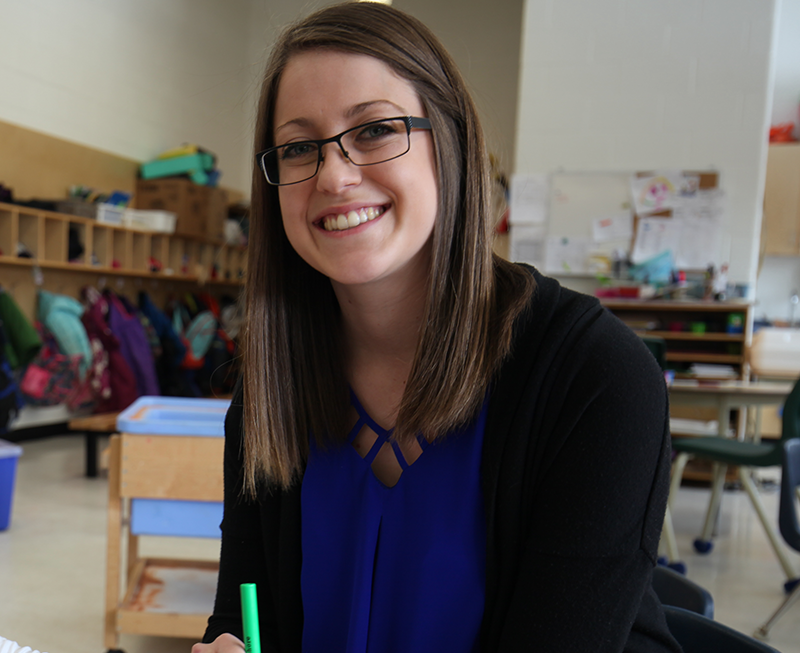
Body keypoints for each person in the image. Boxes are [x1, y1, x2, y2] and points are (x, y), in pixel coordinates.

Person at [192, 3, 680, 652]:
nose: (334, 175)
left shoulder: (596, 380)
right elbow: (247, 622)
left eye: (373, 131)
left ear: (448, 146)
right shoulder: (269, 392)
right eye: (300, 146)